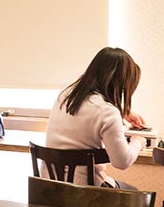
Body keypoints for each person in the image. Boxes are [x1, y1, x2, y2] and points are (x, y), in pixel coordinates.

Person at [44, 46, 148, 188]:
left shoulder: (65, 94)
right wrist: (138, 142)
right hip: (85, 190)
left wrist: (123, 112)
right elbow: (122, 162)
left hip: (49, 184)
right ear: (120, 83)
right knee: (134, 192)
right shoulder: (107, 112)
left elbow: (87, 111)